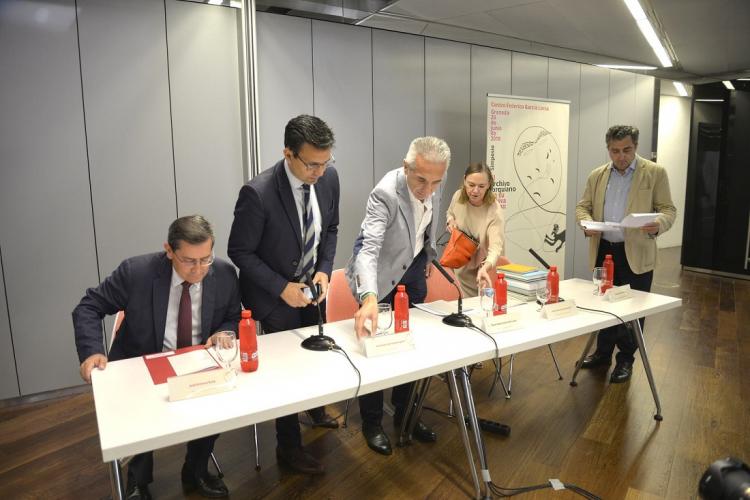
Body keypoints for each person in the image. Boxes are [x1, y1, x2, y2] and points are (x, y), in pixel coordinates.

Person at [73, 215, 241, 500]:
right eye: (189, 260)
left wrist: (224, 332)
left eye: (206, 259)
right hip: (142, 360)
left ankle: (196, 470)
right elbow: (88, 307)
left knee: (216, 407)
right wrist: (92, 351)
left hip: (196, 361)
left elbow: (232, 316)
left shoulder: (224, 273)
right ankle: (137, 480)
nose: (199, 269)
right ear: (169, 250)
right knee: (138, 422)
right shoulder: (136, 272)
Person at [227, 114, 340, 475]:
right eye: (311, 164)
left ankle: (315, 407)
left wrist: (323, 268)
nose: (319, 172)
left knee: (316, 351)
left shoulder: (329, 178)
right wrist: (281, 288)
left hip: (312, 286)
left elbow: (332, 228)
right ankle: (287, 446)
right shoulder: (257, 193)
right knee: (288, 369)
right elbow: (239, 252)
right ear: (288, 153)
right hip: (274, 293)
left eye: (326, 163)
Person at [346, 136, 450, 456]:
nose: (428, 189)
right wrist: (367, 298)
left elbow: (425, 224)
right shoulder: (385, 194)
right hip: (378, 278)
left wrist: (427, 257)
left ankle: (406, 415)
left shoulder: (432, 180)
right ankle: (373, 423)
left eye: (436, 182)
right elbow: (369, 248)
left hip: (413, 271)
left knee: (410, 347)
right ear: (407, 167)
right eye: (421, 180)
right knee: (374, 350)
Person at [575, 125, 676, 383]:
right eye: (615, 151)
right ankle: (602, 353)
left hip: (636, 253)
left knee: (633, 309)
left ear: (636, 147)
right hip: (604, 251)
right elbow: (583, 207)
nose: (621, 156)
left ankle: (626, 360)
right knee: (604, 305)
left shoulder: (654, 173)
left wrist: (659, 224)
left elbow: (668, 210)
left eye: (627, 150)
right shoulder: (597, 175)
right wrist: (585, 222)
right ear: (608, 149)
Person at [445, 163, 506, 297]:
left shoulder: (494, 210)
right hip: (460, 268)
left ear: (489, 184)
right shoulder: (458, 196)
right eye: (471, 185)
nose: (475, 191)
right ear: (464, 180)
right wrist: (451, 221)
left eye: (481, 186)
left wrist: (485, 268)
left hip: (484, 271)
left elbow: (496, 248)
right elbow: (450, 213)